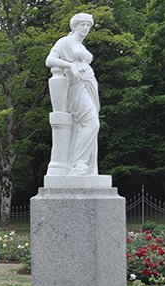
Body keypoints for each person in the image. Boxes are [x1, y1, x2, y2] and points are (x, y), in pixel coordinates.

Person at [45, 12, 100, 175]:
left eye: (88, 25)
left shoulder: (82, 47)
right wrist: (69, 66)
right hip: (76, 85)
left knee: (87, 124)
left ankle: (82, 164)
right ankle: (78, 163)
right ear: (74, 26)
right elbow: (49, 60)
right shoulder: (64, 42)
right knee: (91, 123)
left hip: (89, 84)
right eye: (82, 24)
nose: (85, 28)